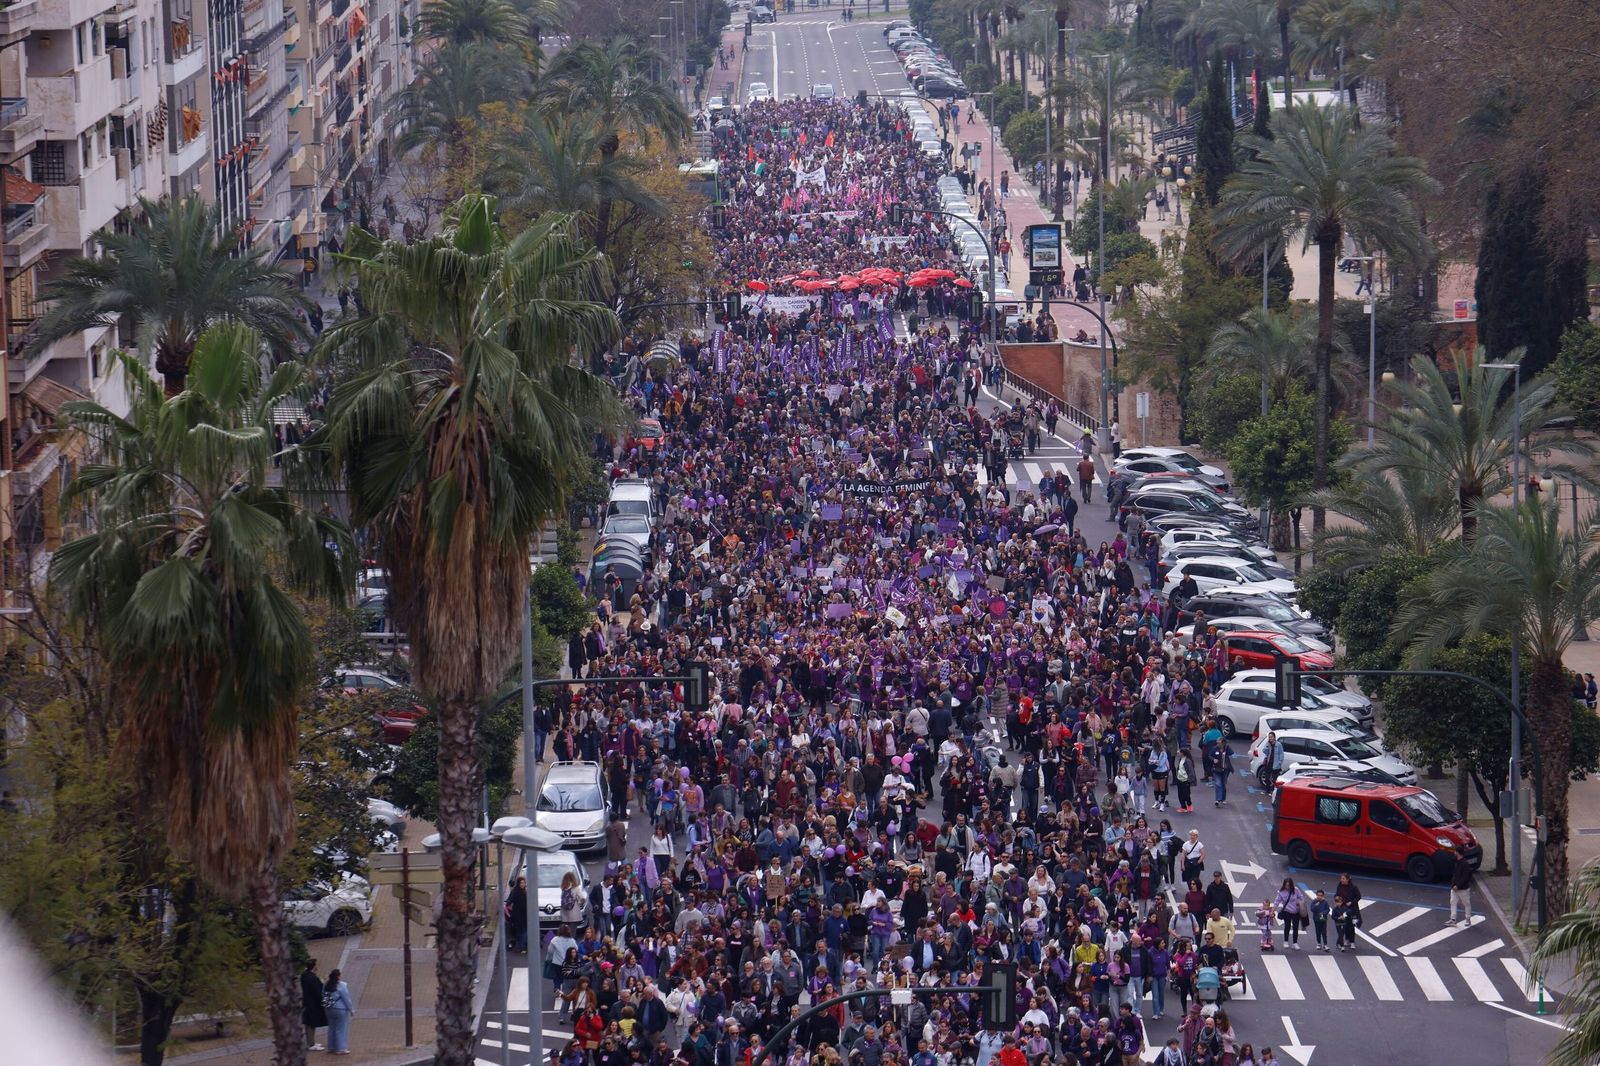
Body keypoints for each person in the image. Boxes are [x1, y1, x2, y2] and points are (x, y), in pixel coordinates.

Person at [322, 967, 354, 1055]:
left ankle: (331, 1047)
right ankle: (341, 1048)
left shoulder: (326, 985)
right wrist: (351, 1009)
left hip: (328, 1008)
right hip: (340, 1009)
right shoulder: (342, 985)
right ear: (338, 976)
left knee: (331, 1027)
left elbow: (323, 995)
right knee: (341, 1029)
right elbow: (346, 998)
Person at [301, 958, 328, 1051]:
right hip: (313, 1004)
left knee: (310, 1023)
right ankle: (311, 1044)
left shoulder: (304, 975)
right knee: (311, 1023)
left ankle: (311, 1042)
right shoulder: (313, 979)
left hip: (307, 1002)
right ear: (314, 966)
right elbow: (318, 991)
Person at [1274, 878, 1308, 949]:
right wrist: (1272, 910)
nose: (1287, 887)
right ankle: (1285, 941)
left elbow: (1301, 897)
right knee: (1287, 926)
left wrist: (1300, 902)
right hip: (1287, 911)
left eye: (1289, 885)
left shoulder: (1296, 890)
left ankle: (1295, 943)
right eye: (1286, 885)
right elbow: (1277, 901)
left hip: (1296, 912)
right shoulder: (1281, 892)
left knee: (1295, 927)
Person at [1447, 849, 1475, 926]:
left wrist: (1457, 885)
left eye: (1455, 851)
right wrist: (1453, 885)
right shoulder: (1457, 861)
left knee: (1466, 903)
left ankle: (1468, 919)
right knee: (1453, 902)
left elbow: (1465, 877)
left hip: (1463, 889)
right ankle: (1453, 919)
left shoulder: (1464, 863)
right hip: (1455, 887)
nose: (1454, 852)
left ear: (1458, 852)